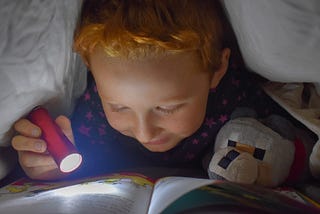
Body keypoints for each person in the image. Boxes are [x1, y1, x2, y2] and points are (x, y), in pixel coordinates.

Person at [11, 0, 288, 180]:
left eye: (167, 108)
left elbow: (287, 147)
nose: (145, 132)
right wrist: (46, 168)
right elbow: (77, 169)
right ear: (91, 70)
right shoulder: (93, 109)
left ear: (217, 69)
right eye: (119, 107)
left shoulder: (240, 98)